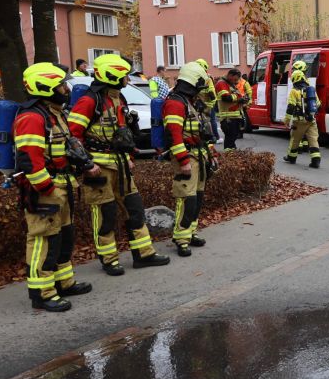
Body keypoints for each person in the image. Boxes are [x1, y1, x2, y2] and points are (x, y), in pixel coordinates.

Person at [68, 53, 170, 275]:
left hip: (121, 165)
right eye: (124, 76)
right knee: (106, 215)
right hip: (99, 169)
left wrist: (129, 158)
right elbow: (73, 137)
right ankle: (109, 260)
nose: (128, 80)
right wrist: (86, 164)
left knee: (135, 210)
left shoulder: (118, 98)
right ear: (112, 76)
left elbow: (122, 136)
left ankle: (144, 254)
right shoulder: (89, 101)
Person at [14, 63, 94, 311]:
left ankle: (63, 282)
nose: (65, 88)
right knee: (43, 240)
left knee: (63, 238)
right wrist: (47, 188)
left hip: (62, 183)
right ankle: (43, 293)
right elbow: (30, 159)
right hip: (45, 189)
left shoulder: (55, 113)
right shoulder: (32, 117)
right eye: (60, 84)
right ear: (46, 87)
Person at [163, 62, 215, 257]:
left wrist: (210, 152)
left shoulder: (189, 102)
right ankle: (181, 238)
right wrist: (183, 160)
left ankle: (190, 232)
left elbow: (201, 130)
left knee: (198, 198)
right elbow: (174, 135)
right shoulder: (175, 103)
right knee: (187, 199)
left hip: (198, 155)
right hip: (187, 157)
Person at [283, 69, 321, 168]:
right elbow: (318, 105)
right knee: (313, 140)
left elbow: (291, 107)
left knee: (295, 140)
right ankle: (316, 160)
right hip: (311, 120)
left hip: (299, 121)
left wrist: (286, 120)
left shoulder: (294, 91)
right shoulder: (311, 90)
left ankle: (291, 158)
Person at [215, 69, 246, 150]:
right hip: (228, 117)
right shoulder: (222, 83)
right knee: (230, 139)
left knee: (232, 138)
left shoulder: (230, 84)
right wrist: (239, 99)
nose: (236, 82)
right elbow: (226, 98)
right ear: (230, 75)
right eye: (235, 79)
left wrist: (242, 99)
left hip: (234, 116)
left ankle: (231, 155)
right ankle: (229, 156)